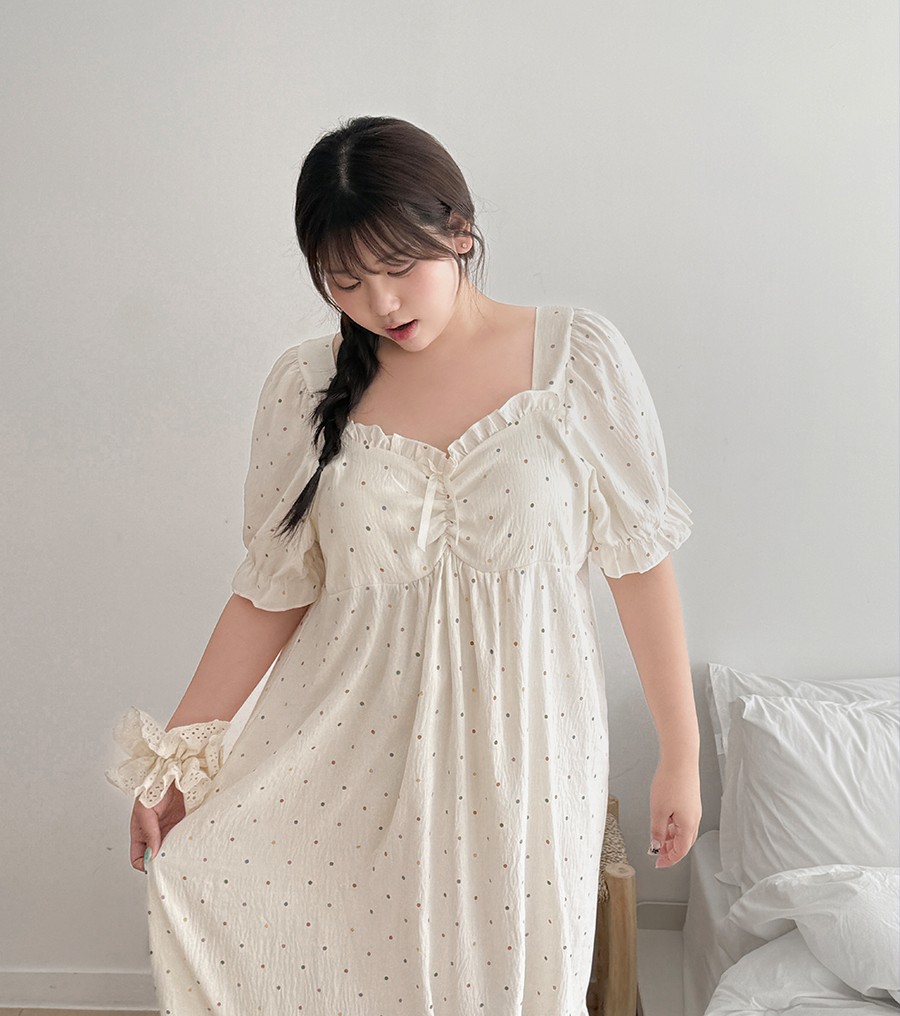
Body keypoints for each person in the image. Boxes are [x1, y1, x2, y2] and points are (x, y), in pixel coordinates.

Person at [106, 115, 701, 1015]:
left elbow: (640, 566)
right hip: (349, 755)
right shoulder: (304, 387)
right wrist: (177, 762)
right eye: (345, 281)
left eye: (397, 267)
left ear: (459, 232)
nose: (380, 303)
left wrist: (679, 755)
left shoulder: (577, 360)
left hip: (528, 758)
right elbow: (270, 592)